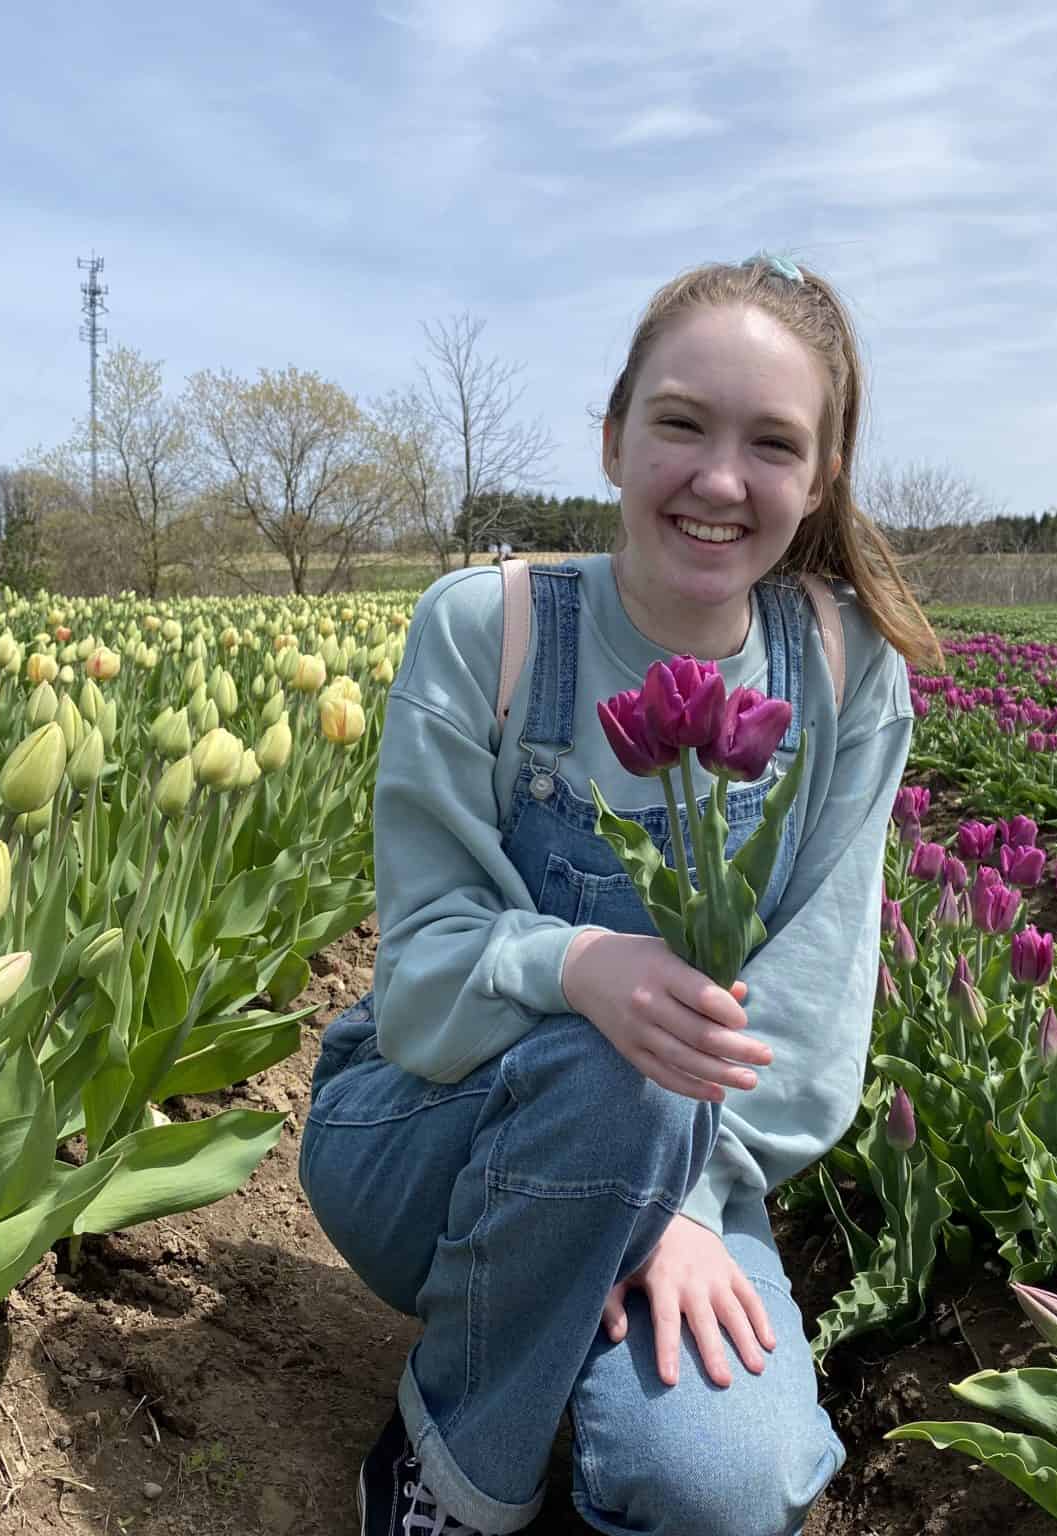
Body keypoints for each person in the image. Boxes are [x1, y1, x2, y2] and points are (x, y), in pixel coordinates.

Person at [300, 255, 942, 1536]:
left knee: (720, 1487)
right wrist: (576, 963)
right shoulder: (490, 633)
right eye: (680, 424)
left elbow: (811, 1023)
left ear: (818, 480)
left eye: (771, 443)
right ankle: (449, 1473)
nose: (718, 479)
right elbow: (422, 982)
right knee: (620, 1067)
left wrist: (674, 1207)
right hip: (430, 1136)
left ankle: (589, 1358)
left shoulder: (841, 673)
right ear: (610, 438)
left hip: (696, 1178)